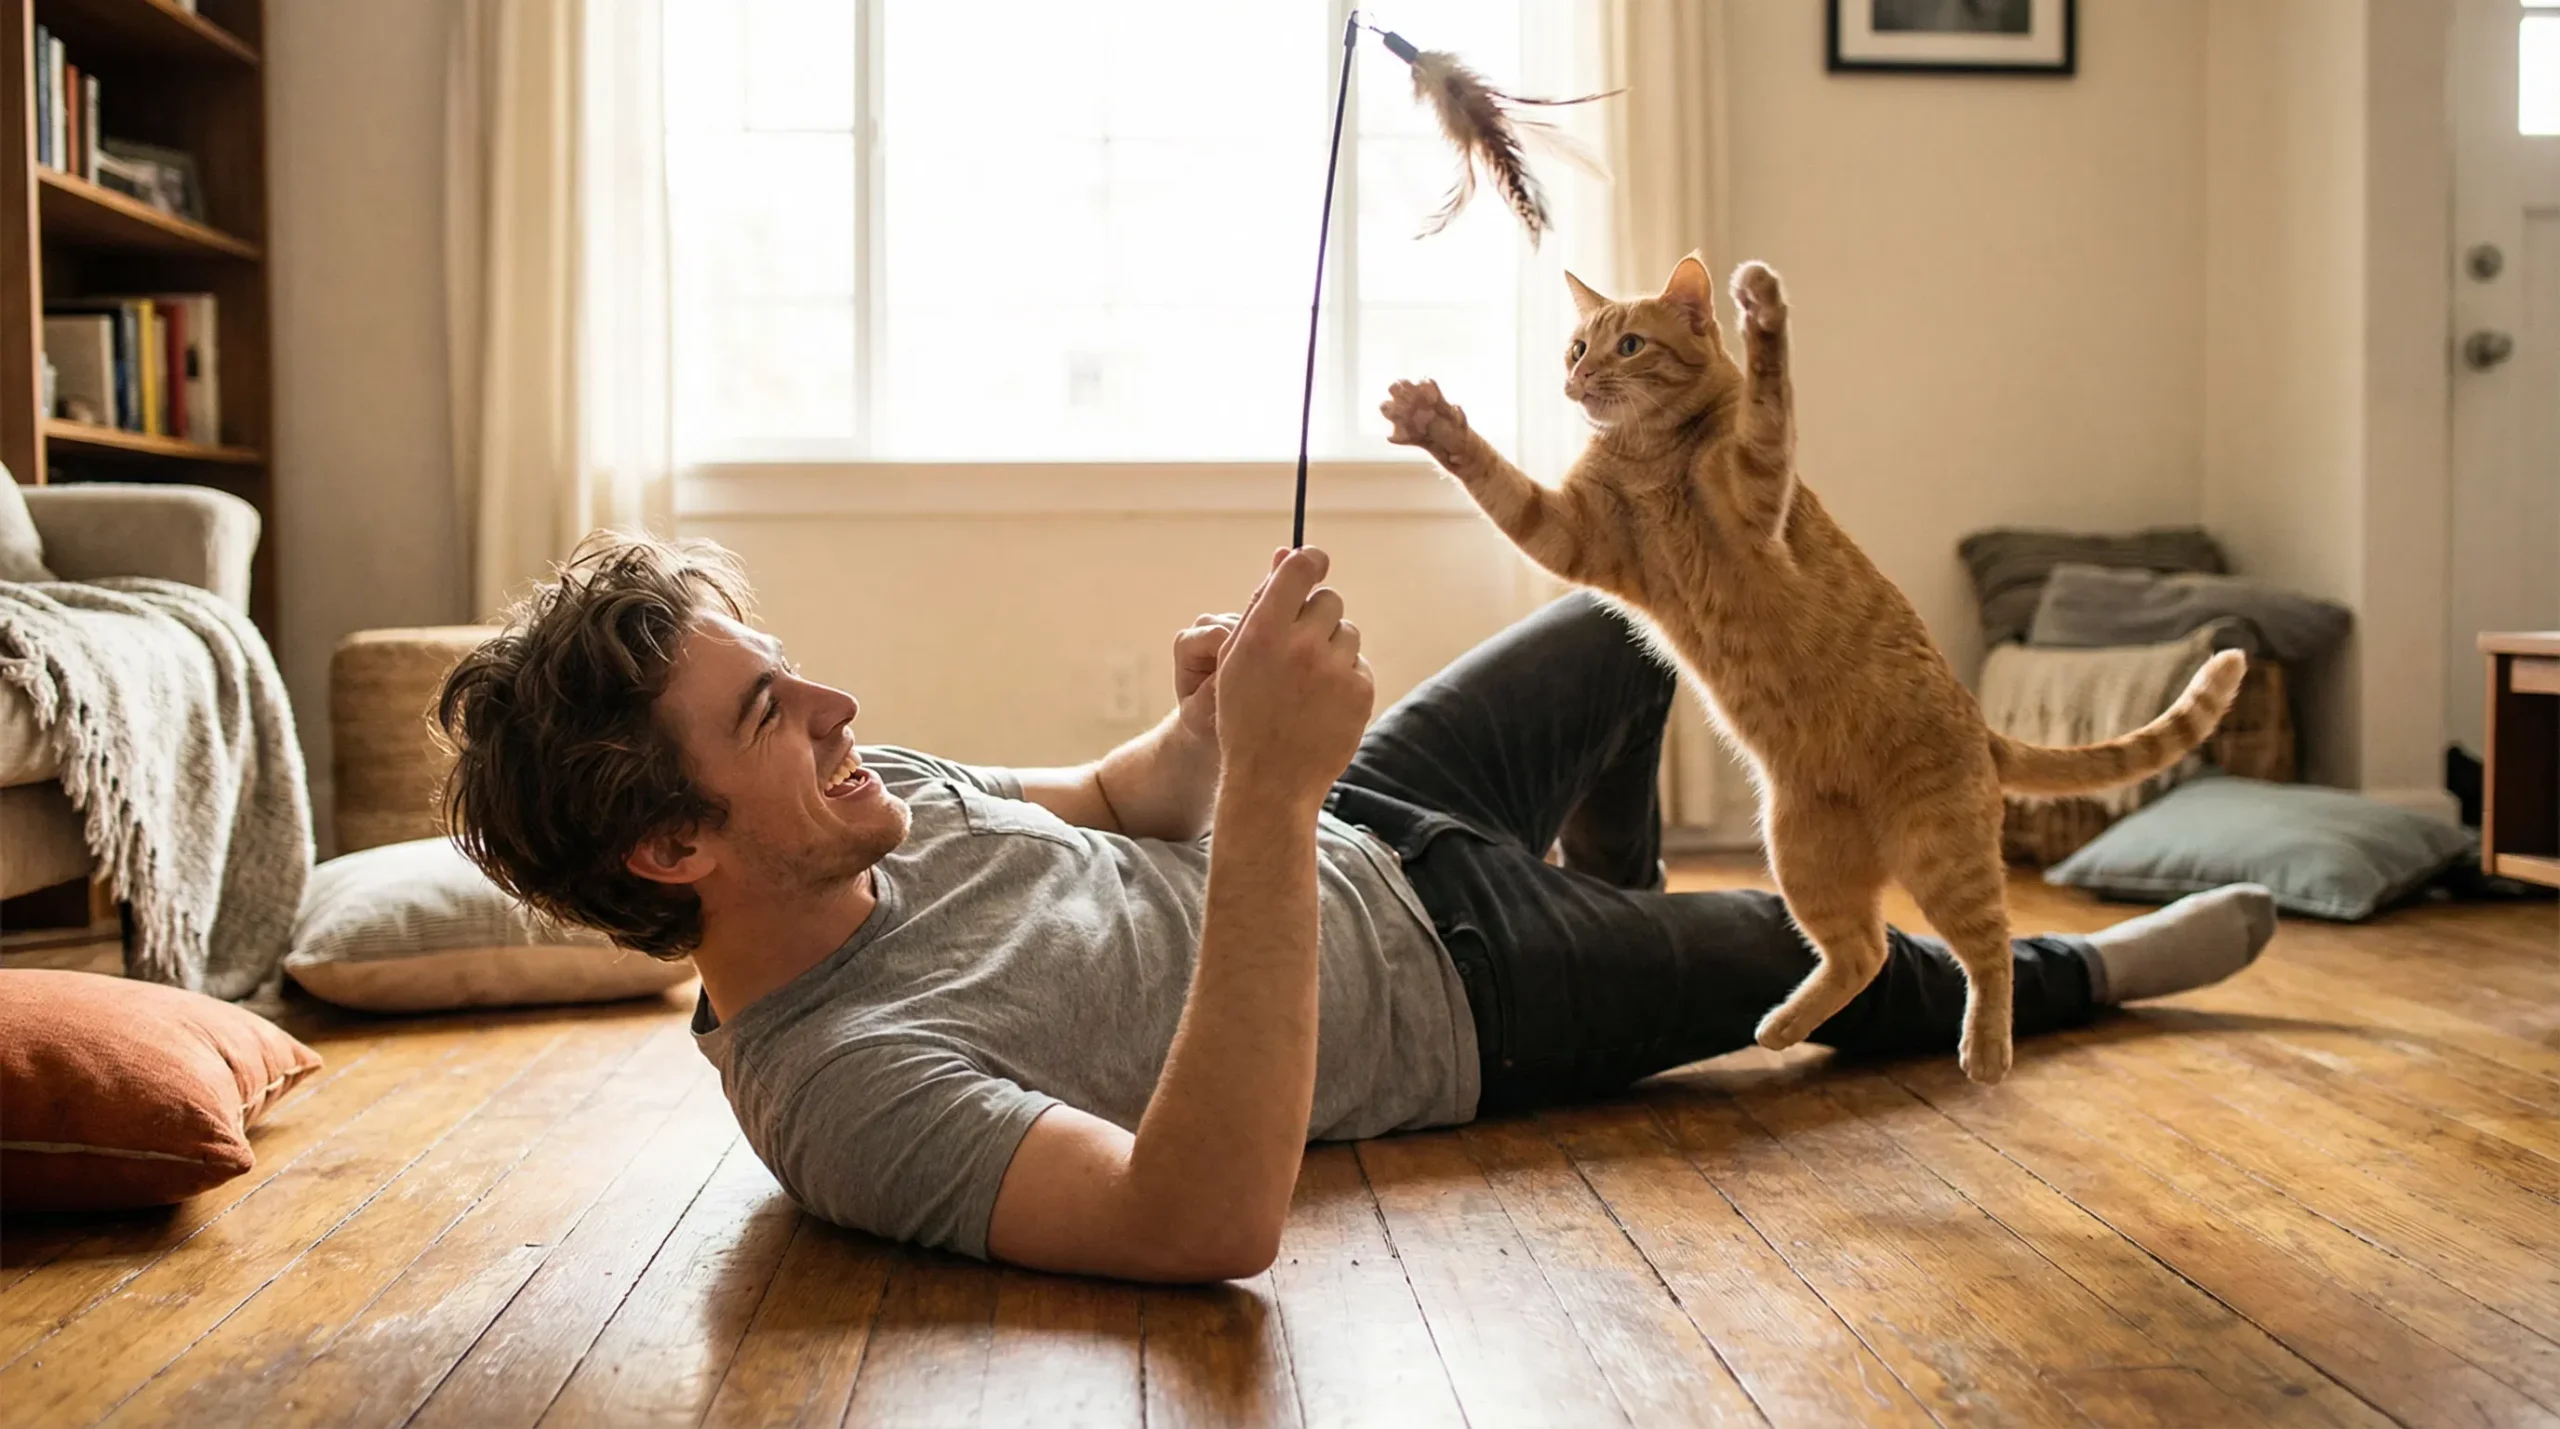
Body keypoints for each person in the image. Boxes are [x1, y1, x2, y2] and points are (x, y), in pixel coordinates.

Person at [435, 533, 2274, 1284]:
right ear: (668, 850)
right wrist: (1271, 792)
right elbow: (1198, 1222)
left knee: (1637, 621)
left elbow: (1120, 803)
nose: (841, 708)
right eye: (772, 712)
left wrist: (1206, 731)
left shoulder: (865, 805)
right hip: (1462, 992)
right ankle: (2080, 972)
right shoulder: (843, 1089)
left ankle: (1620, 918)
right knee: (1825, 961)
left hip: (1379, 826)